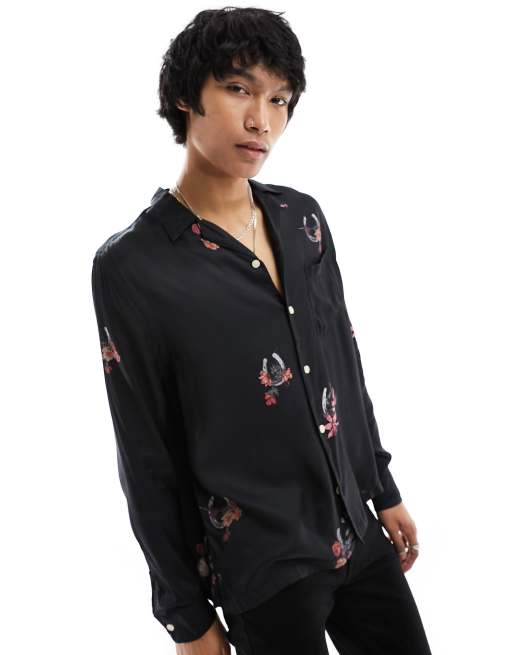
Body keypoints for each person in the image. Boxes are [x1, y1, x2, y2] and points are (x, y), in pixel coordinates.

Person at [91, 6, 432, 655]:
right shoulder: (134, 265)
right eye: (238, 89)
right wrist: (186, 618)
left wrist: (380, 487)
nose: (262, 120)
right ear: (184, 96)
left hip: (357, 534)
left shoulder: (302, 220)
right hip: (261, 568)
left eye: (279, 98)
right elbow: (145, 448)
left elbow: (342, 365)